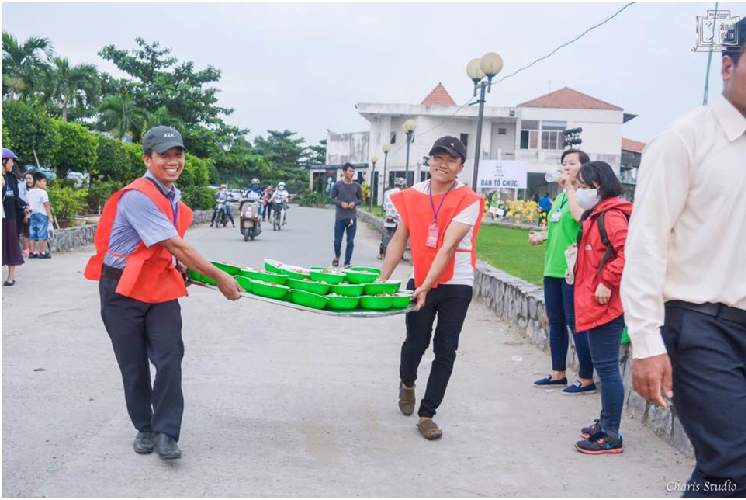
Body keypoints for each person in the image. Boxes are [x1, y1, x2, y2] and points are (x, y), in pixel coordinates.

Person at [621, 18, 746, 496]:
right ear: (727, 66)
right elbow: (646, 243)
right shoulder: (684, 139)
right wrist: (646, 342)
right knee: (734, 463)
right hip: (701, 326)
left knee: (722, 467)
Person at [84, 126, 242, 460]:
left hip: (158, 285)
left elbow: (165, 249)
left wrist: (181, 266)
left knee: (169, 357)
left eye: (178, 155)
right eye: (164, 155)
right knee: (133, 364)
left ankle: (167, 431)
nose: (173, 161)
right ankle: (144, 427)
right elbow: (174, 243)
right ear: (147, 159)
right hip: (121, 289)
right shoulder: (137, 196)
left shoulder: (172, 196)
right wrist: (219, 277)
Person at [379, 136, 484, 440]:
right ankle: (407, 383)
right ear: (429, 161)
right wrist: (381, 282)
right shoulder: (412, 195)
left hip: (456, 283)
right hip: (420, 281)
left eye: (451, 160)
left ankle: (427, 414)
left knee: (446, 348)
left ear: (461, 167)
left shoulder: (468, 200)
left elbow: (448, 246)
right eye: (438, 157)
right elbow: (399, 240)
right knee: (416, 341)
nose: (443, 164)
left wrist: (428, 285)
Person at [572, 161, 632, 455]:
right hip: (595, 301)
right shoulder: (598, 214)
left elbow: (628, 252)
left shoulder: (611, 216)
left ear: (600, 186)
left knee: (607, 369)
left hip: (607, 304)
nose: (580, 192)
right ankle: (606, 422)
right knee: (604, 367)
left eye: (584, 187)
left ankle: (611, 434)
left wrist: (608, 281)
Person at [530, 149, 596, 395]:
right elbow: (558, 227)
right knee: (556, 322)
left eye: (572, 163)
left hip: (573, 270)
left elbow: (580, 219)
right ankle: (558, 373)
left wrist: (570, 187)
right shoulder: (559, 198)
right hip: (553, 267)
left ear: (584, 167)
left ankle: (586, 378)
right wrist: (542, 236)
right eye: (564, 163)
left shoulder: (586, 196)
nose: (566, 167)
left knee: (576, 324)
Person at [330, 163, 362, 268]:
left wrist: (354, 203)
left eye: (353, 171)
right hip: (340, 217)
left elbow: (360, 200)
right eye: (350, 171)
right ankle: (337, 256)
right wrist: (340, 203)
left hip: (352, 217)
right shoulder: (337, 185)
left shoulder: (357, 186)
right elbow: (331, 199)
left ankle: (347, 263)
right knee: (337, 241)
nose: (352, 173)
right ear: (344, 172)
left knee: (350, 241)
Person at [2, 148, 25, 286]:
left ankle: (10, 278)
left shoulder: (12, 178)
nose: (12, 164)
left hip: (11, 217)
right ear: (3, 162)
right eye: (10, 161)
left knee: (11, 245)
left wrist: (24, 206)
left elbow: (16, 198)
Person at [379, 177, 407, 259]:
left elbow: (384, 207)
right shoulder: (403, 193)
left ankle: (383, 253)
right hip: (399, 218)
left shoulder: (387, 192)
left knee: (387, 235)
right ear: (402, 186)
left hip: (389, 217)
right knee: (400, 237)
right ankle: (399, 255)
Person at [27, 172, 53, 259]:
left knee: (32, 234)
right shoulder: (43, 192)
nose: (45, 183)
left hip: (32, 214)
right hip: (42, 214)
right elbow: (46, 205)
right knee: (42, 233)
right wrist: (49, 216)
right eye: (44, 181)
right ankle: (42, 252)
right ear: (37, 181)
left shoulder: (29, 192)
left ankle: (32, 252)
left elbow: (28, 204)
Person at [20, 172, 34, 257]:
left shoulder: (34, 190)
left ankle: (31, 249)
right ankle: (25, 249)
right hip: (27, 213)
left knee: (31, 232)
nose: (28, 180)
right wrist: (25, 215)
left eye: (30, 178)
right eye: (26, 179)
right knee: (27, 232)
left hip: (33, 214)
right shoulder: (24, 191)